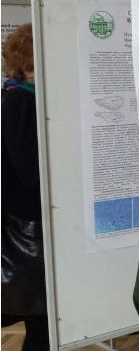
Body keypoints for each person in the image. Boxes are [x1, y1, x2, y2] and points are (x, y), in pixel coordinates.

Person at [1, 23, 50, 350]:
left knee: (41, 318)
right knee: (40, 318)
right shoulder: (21, 103)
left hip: (25, 222)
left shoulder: (15, 96)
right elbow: (32, 173)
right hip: (28, 229)